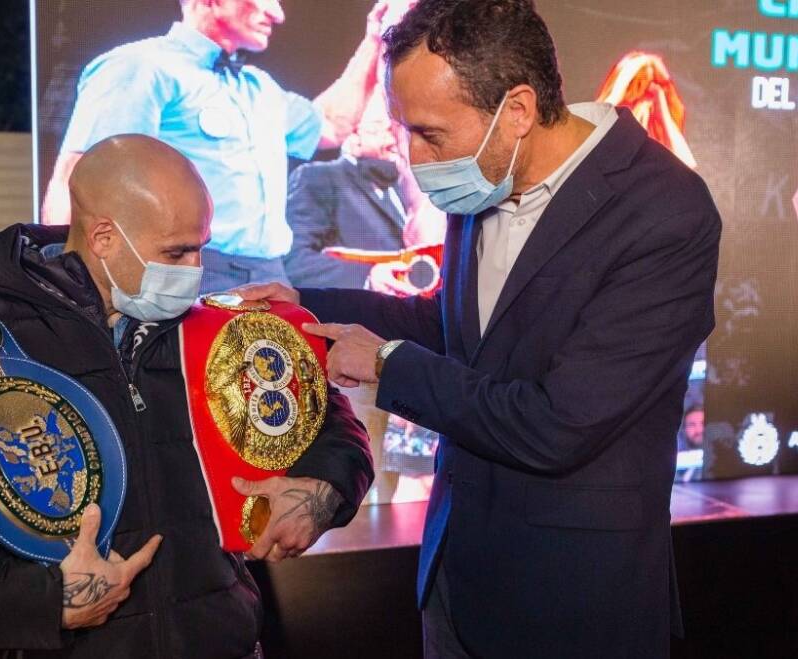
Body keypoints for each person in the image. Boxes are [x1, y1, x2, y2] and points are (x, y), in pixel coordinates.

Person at [238, 1, 722, 656]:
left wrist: (386, 366)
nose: (412, 154)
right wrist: (302, 303)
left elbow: (559, 425)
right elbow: (457, 326)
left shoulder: (663, 214)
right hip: (456, 584)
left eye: (430, 134)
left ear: (517, 110)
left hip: (573, 611)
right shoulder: (486, 173)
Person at [0, 135, 373, 658]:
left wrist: (321, 491)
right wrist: (42, 601)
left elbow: (334, 427)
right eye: (177, 252)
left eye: (201, 248)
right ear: (104, 238)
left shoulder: (210, 330)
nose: (196, 272)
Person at [42, 0, 389, 293]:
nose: (277, 13)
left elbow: (333, 125)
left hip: (272, 278)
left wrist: (376, 37)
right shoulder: (142, 68)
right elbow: (78, 180)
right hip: (186, 274)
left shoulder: (259, 87)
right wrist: (67, 287)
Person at [284, 107, 408, 290]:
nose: (393, 139)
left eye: (397, 129)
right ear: (353, 137)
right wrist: (368, 279)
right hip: (353, 311)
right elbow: (294, 262)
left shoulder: (400, 188)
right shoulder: (319, 176)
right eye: (382, 129)